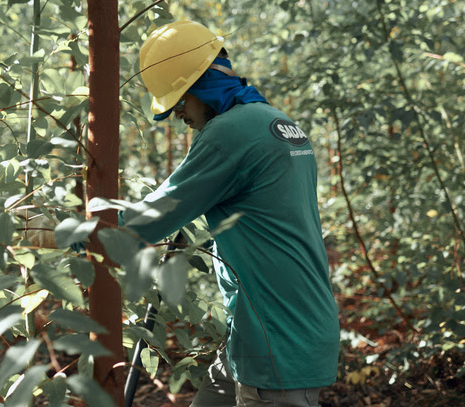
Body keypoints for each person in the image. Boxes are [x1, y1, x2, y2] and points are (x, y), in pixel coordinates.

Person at [119, 21, 340, 407]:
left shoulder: (229, 133)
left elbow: (146, 222)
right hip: (273, 330)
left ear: (201, 87)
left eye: (180, 103)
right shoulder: (278, 122)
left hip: (277, 343)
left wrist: (57, 231)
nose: (179, 117)